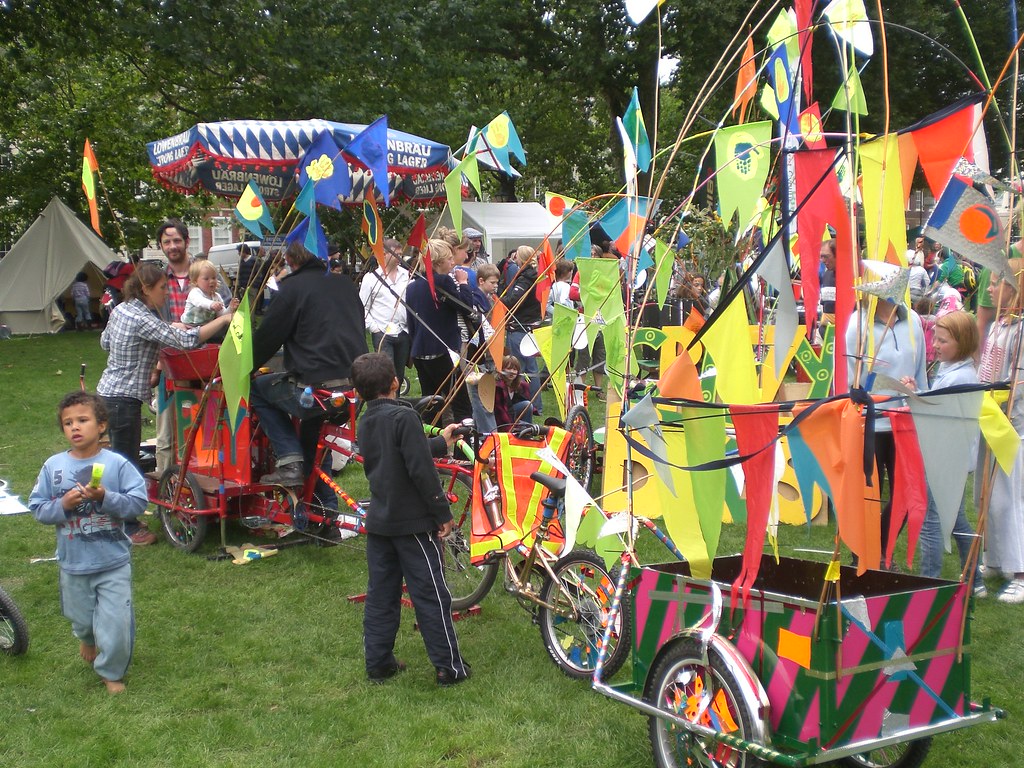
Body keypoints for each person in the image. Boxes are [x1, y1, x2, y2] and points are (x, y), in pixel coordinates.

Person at [351, 352, 471, 686]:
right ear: (395, 383)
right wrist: (442, 513)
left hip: (381, 522)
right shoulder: (403, 417)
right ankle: (449, 667)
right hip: (414, 525)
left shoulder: (366, 421)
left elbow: (401, 452)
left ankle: (378, 662)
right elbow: (419, 468)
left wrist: (440, 443)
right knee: (431, 594)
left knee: (381, 595)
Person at [97, 262, 233, 545]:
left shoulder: (122, 310)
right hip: (124, 400)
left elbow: (105, 343)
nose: (167, 295)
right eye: (161, 289)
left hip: (107, 393)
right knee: (127, 463)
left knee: (117, 460)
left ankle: (113, 515)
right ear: (146, 289)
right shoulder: (141, 318)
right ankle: (128, 527)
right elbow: (185, 340)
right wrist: (222, 319)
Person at [29, 392, 148, 694]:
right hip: (73, 563)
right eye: (68, 423)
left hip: (112, 562)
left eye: (83, 420)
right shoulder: (53, 467)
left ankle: (111, 672)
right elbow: (38, 507)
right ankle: (87, 637)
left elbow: (137, 503)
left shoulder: (117, 464)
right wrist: (63, 504)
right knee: (81, 619)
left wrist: (105, 498)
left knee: (116, 624)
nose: (75, 427)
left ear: (102, 425)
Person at [249, 240, 367, 489]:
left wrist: (246, 367)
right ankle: (323, 515)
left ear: (290, 261)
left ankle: (290, 462)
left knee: (257, 388)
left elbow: (267, 339)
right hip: (354, 389)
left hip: (315, 391)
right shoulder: (345, 284)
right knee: (314, 445)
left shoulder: (292, 288)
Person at [846, 276, 928, 569]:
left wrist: (917, 394)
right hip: (869, 424)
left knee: (906, 496)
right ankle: (863, 558)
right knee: (867, 497)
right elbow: (850, 380)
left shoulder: (914, 321)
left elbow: (920, 375)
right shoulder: (858, 325)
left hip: (904, 423)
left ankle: (878, 549)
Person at [904, 312, 985, 592]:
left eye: (943, 340)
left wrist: (912, 398)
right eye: (935, 338)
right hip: (951, 456)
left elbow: (937, 415)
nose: (935, 345)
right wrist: (917, 393)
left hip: (944, 457)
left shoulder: (957, 377)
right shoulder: (952, 371)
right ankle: (976, 579)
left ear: (961, 343)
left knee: (932, 520)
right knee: (957, 519)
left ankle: (929, 583)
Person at [976, 259, 1024, 602]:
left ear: (1013, 287)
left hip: (1012, 426)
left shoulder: (1020, 330)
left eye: (996, 283)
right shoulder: (997, 326)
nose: (990, 289)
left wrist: (1002, 398)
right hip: (989, 418)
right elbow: (987, 369)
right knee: (988, 496)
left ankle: (1020, 571)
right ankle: (996, 559)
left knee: (1011, 500)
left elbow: (1018, 379)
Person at [406, 239, 474, 424]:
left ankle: (430, 445)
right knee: (461, 405)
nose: (453, 262)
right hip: (442, 351)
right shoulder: (443, 281)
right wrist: (463, 283)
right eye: (449, 259)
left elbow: (411, 323)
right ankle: (463, 448)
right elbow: (466, 306)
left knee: (431, 403)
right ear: (437, 263)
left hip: (420, 352)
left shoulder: (412, 286)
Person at [359, 238, 410, 383]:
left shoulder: (407, 276)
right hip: (382, 332)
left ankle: (396, 403)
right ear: (384, 254)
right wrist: (375, 329)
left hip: (403, 331)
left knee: (399, 376)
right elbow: (363, 308)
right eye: (396, 254)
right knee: (387, 375)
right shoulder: (370, 279)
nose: (400, 257)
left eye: (401, 254)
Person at [501, 245, 544, 416]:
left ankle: (527, 404)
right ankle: (534, 405)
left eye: (517, 256)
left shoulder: (526, 277)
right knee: (530, 368)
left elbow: (513, 300)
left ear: (521, 258)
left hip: (520, 326)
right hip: (529, 326)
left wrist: (498, 299)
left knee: (518, 367)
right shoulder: (535, 275)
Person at [181, 259, 235, 325]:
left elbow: (222, 316)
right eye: (206, 279)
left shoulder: (216, 297)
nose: (211, 281)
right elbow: (199, 301)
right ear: (195, 281)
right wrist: (211, 304)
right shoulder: (195, 292)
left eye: (214, 278)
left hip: (205, 329)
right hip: (188, 326)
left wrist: (230, 308)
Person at [493, 354, 533, 430]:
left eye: (515, 369)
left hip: (511, 412)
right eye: (508, 368)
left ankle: (527, 431)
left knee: (528, 405)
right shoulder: (498, 386)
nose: (512, 372)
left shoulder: (521, 386)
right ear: (502, 369)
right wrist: (510, 428)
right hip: (499, 416)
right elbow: (500, 410)